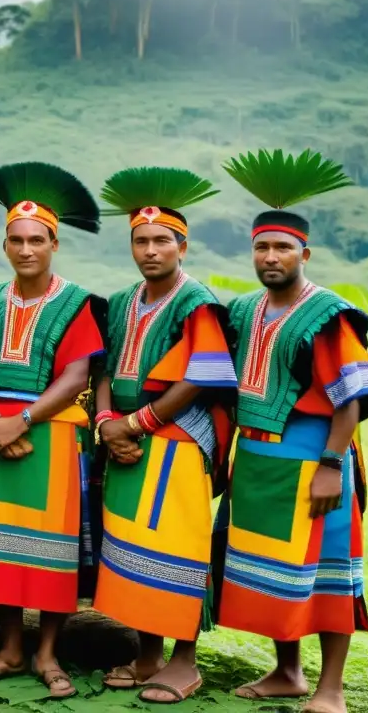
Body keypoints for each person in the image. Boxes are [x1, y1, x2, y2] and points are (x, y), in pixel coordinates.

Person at [217, 149, 368, 713]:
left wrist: (332, 466)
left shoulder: (328, 314)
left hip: (316, 457)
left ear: (303, 253)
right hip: (259, 460)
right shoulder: (242, 311)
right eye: (262, 246)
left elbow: (353, 394)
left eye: (282, 247)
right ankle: (287, 671)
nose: (271, 256)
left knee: (329, 571)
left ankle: (330, 688)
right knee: (275, 572)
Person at [0, 162, 106, 699]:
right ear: (5, 245)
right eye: (16, 240)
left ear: (54, 244)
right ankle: (12, 647)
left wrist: (25, 417)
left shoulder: (76, 303)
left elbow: (77, 374)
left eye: (36, 240)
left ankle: (47, 653)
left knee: (52, 550)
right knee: (0, 549)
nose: (26, 250)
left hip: (53, 434)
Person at [91, 167, 238, 704]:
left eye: (161, 240)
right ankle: (147, 653)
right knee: (134, 545)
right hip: (127, 439)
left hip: (178, 438)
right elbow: (103, 370)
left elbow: (200, 374)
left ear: (183, 244)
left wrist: (137, 423)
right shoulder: (125, 300)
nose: (150, 250)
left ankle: (184, 661)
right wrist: (107, 424)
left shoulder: (195, 300)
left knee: (177, 547)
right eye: (141, 240)